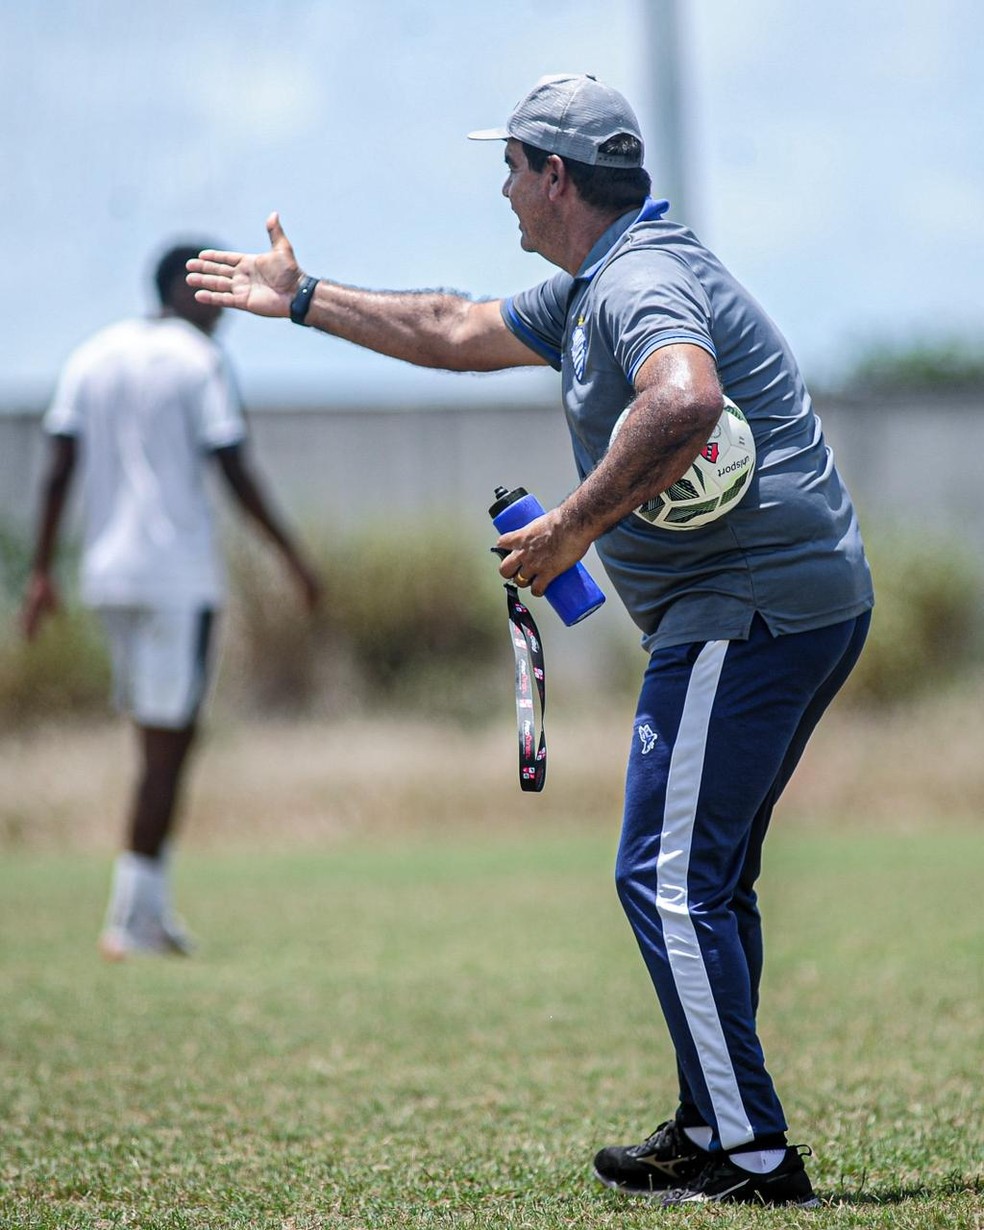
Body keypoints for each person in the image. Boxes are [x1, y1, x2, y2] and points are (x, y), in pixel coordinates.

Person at [185, 74, 873, 1207]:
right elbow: (454, 329)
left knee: (662, 880)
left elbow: (686, 400)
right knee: (703, 880)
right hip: (786, 604)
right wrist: (302, 296)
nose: (503, 188)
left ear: (556, 177)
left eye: (510, 166)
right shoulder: (597, 282)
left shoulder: (639, 282)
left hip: (744, 610)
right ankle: (714, 1123)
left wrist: (566, 530)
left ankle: (752, 1158)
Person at [22, 241, 321, 961]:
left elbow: (58, 466)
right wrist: (291, 555)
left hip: (106, 577)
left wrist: (41, 570)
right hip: (176, 578)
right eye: (214, 289)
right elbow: (233, 463)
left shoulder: (92, 354)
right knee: (170, 748)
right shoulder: (198, 361)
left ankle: (145, 911)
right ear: (180, 291)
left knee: (153, 744)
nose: (226, 306)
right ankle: (132, 919)